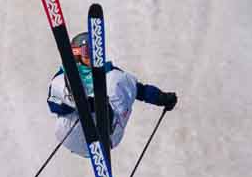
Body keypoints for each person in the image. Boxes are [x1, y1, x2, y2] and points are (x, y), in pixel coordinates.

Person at [48, 31, 177, 157]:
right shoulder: (62, 76)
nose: (92, 56)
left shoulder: (110, 73)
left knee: (118, 79)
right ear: (76, 53)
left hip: (110, 133)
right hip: (73, 131)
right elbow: (53, 104)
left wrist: (162, 98)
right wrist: (75, 105)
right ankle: (76, 98)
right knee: (62, 83)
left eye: (95, 51)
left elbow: (140, 90)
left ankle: (103, 118)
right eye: (87, 52)